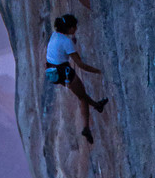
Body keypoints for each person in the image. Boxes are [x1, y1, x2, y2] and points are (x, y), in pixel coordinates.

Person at [45, 14, 108, 144]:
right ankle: (86, 128)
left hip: (52, 73)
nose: (76, 29)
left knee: (80, 93)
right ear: (69, 28)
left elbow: (58, 49)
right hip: (64, 72)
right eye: (74, 27)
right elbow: (81, 65)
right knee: (82, 97)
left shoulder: (55, 35)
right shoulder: (67, 42)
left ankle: (97, 105)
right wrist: (98, 71)